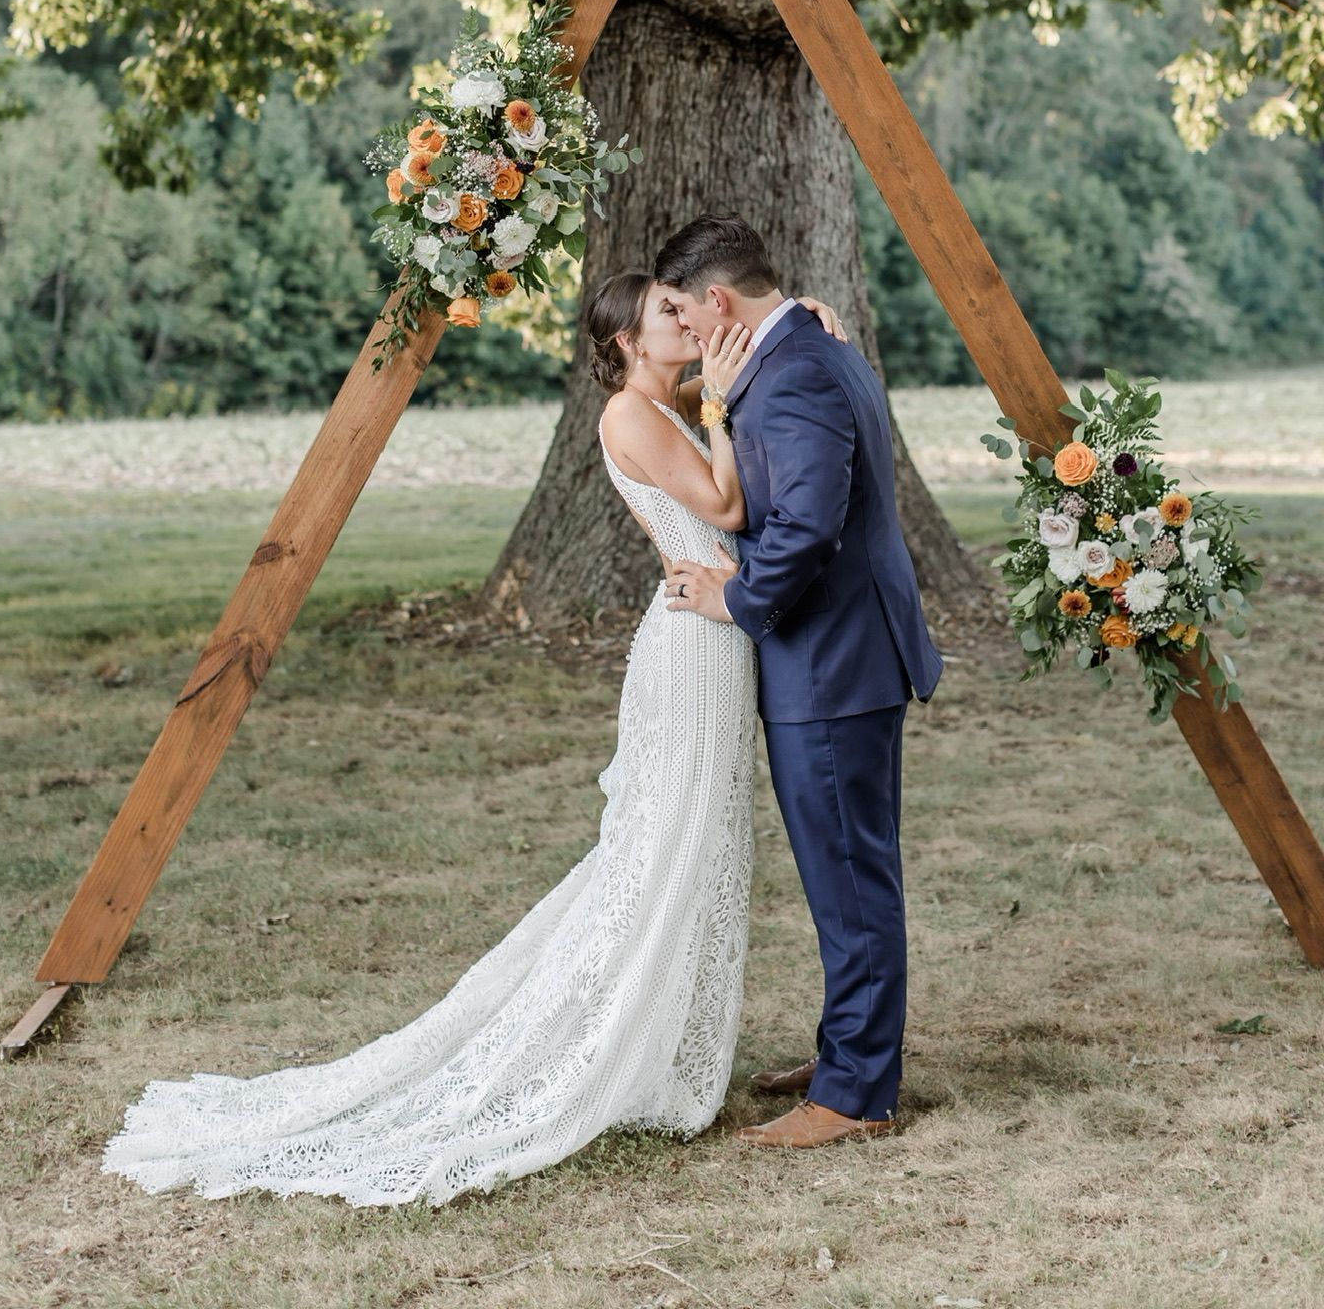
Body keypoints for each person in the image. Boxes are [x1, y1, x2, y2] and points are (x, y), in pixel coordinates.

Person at [101, 268, 843, 1207]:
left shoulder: (668, 400)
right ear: (625, 340)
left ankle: (649, 1039)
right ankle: (592, 1041)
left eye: (686, 309)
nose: (690, 322)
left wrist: (802, 321)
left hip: (713, 636)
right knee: (660, 849)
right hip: (693, 648)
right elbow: (729, 510)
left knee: (692, 847)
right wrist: (730, 411)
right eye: (667, 314)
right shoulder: (632, 415)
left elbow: (747, 373)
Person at [655, 211, 943, 1148]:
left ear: (720, 301)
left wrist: (734, 600)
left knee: (851, 878)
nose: (693, 344)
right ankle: (848, 1053)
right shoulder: (813, 346)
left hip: (832, 663)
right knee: (848, 872)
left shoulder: (795, 375)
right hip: (848, 654)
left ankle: (856, 1096)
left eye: (688, 322)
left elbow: (808, 526)